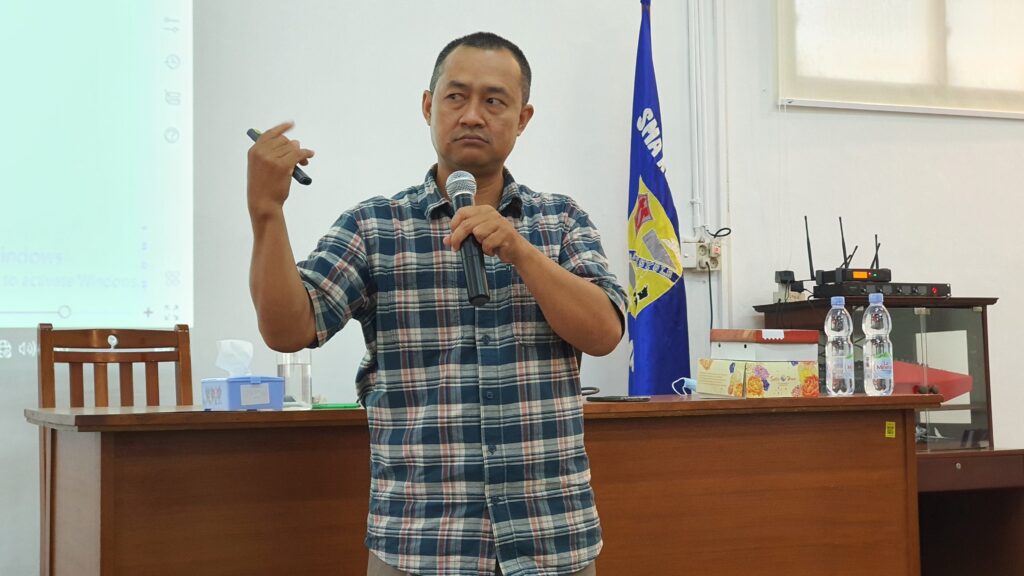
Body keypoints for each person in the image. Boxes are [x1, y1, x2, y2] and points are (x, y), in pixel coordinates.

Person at [247, 32, 626, 576]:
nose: (472, 114)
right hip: (420, 544)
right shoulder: (374, 226)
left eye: (494, 101)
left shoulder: (561, 220)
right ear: (428, 106)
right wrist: (266, 211)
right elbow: (288, 329)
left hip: (550, 541)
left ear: (523, 119)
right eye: (455, 96)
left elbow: (604, 333)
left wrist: (521, 252)